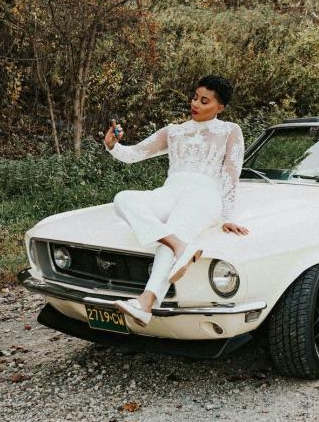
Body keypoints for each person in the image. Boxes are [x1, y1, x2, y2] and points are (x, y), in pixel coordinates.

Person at [99, 75, 249, 327]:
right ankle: (180, 247)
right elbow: (134, 154)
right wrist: (112, 146)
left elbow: (231, 175)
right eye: (194, 98)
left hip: (203, 196)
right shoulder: (174, 131)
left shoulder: (230, 131)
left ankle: (145, 302)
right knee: (122, 199)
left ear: (220, 107)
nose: (196, 104)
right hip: (170, 192)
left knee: (174, 229)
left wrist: (228, 216)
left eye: (205, 101)